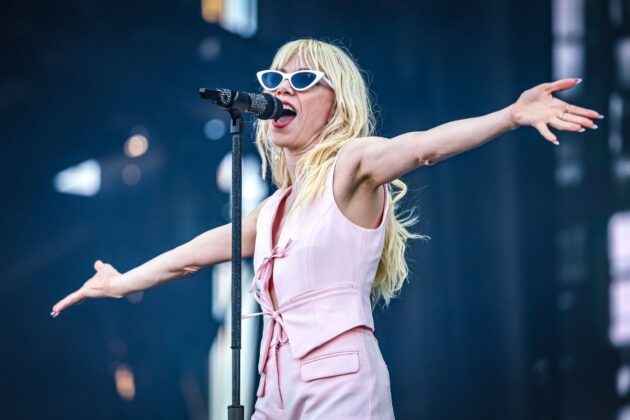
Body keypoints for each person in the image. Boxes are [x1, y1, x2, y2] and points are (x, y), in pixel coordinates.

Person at [51, 38, 602, 419]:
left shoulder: (351, 166)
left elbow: (424, 147)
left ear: (335, 101)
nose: (282, 91)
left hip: (339, 377)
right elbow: (195, 253)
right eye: (275, 80)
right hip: (273, 384)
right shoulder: (274, 210)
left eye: (302, 80)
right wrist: (122, 283)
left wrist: (510, 115)